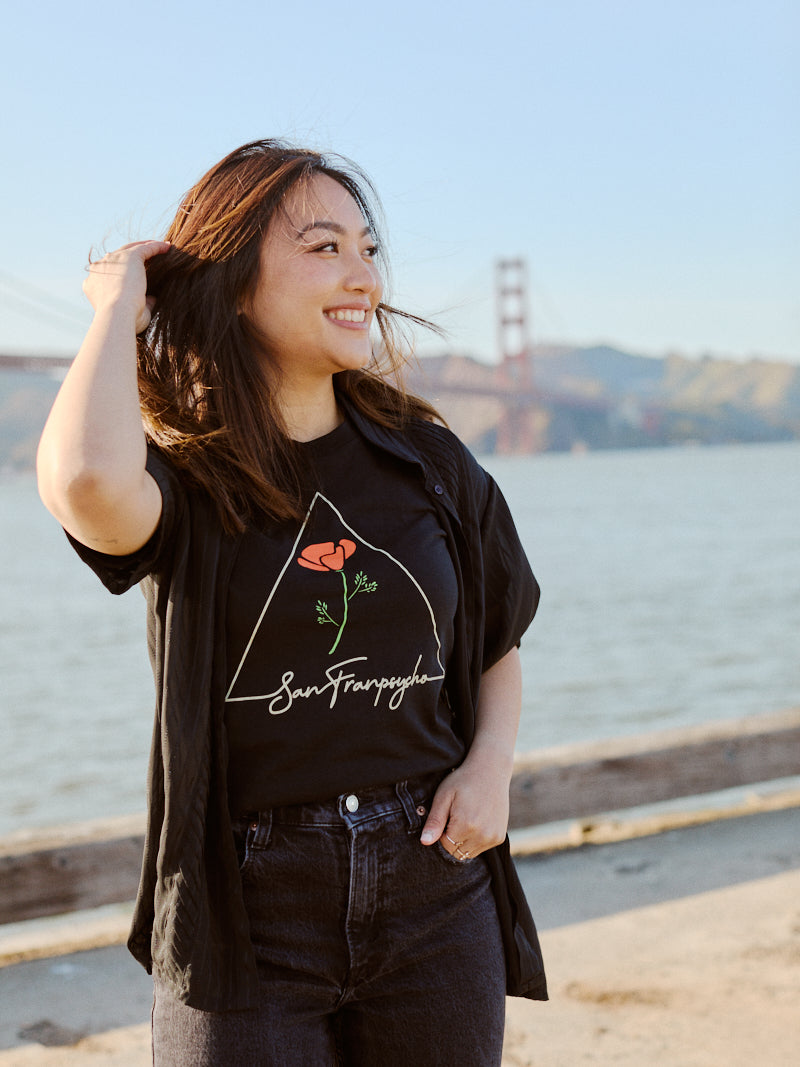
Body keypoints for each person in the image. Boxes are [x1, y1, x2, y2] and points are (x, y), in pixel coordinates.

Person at [37, 139, 547, 1066]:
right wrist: (120, 306)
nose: (364, 275)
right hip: (245, 906)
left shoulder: (429, 462)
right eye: (324, 248)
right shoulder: (186, 478)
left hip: (434, 881)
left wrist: (491, 770)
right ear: (236, 282)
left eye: (369, 247)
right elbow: (80, 476)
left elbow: (496, 639)